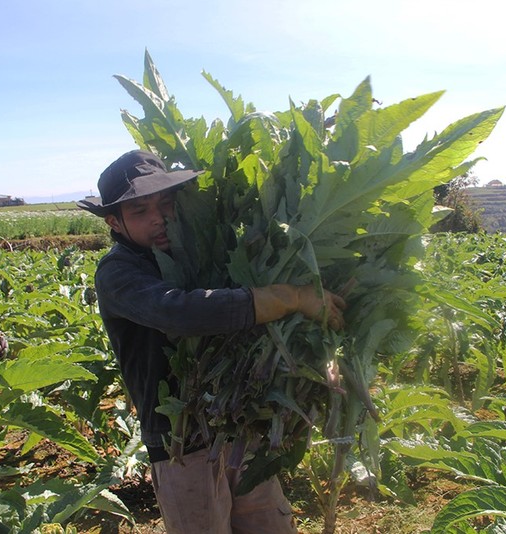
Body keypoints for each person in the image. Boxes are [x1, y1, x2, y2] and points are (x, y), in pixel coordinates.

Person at [77, 149, 346, 534]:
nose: (159, 218)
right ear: (114, 223)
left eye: (165, 203)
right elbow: (180, 312)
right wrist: (291, 297)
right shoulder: (118, 273)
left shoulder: (199, 251)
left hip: (238, 428)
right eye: (139, 211)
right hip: (180, 445)